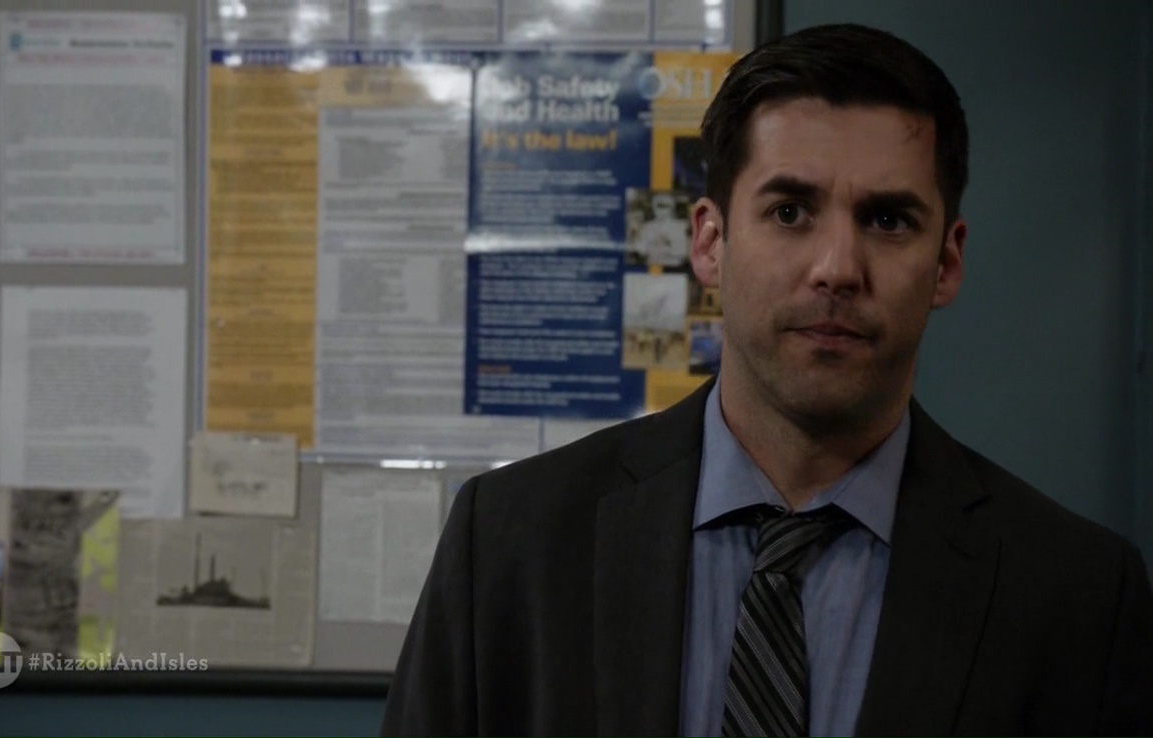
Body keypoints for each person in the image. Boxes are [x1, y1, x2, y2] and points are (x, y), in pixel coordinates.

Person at [381, 22, 1153, 738]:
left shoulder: (1076, 594)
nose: (837, 268)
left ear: (946, 262)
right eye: (790, 212)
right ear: (710, 243)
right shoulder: (509, 543)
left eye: (888, 220)